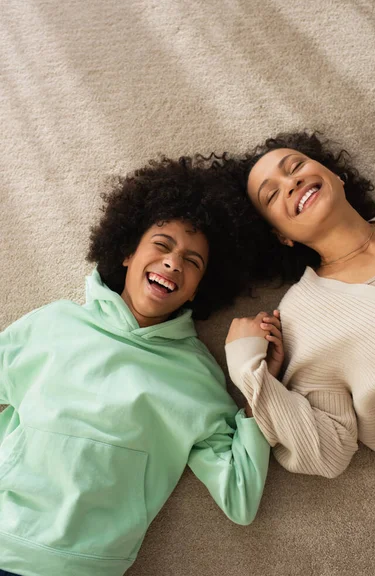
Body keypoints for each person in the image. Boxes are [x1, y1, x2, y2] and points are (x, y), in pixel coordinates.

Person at [0, 157, 280, 576]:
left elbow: (240, 498)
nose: (173, 263)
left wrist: (258, 379)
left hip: (84, 568)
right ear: (128, 252)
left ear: (198, 291)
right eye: (162, 245)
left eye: (193, 262)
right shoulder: (52, 323)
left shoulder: (196, 377)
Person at [214, 130, 375, 477]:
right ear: (281, 236)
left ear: (336, 176)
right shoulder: (303, 317)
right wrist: (251, 374)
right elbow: (326, 453)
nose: (291, 182)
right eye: (271, 195)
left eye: (295, 166)